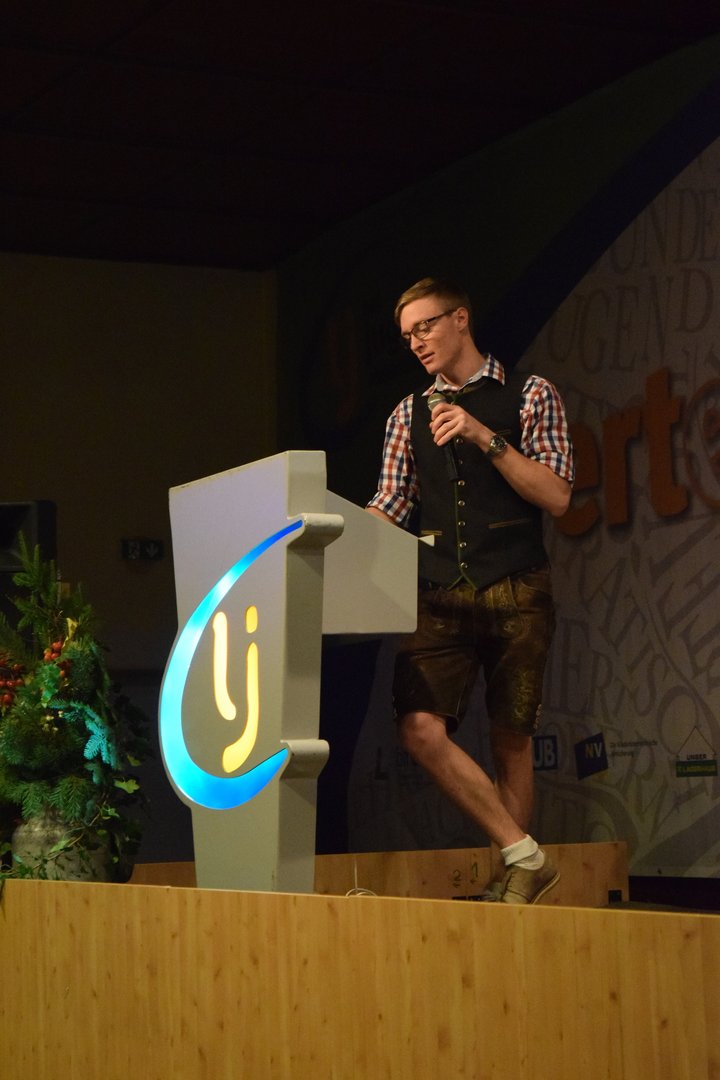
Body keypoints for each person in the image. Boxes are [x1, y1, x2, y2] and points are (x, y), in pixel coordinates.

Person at [366, 277, 574, 904]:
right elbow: (391, 501)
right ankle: (526, 854)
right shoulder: (406, 412)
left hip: (517, 584)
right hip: (439, 589)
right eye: (408, 335)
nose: (416, 342)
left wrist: (485, 436)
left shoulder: (530, 392)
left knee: (511, 739)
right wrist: (334, 535)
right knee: (419, 728)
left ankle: (512, 886)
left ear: (460, 318)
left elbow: (557, 496)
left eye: (425, 326)